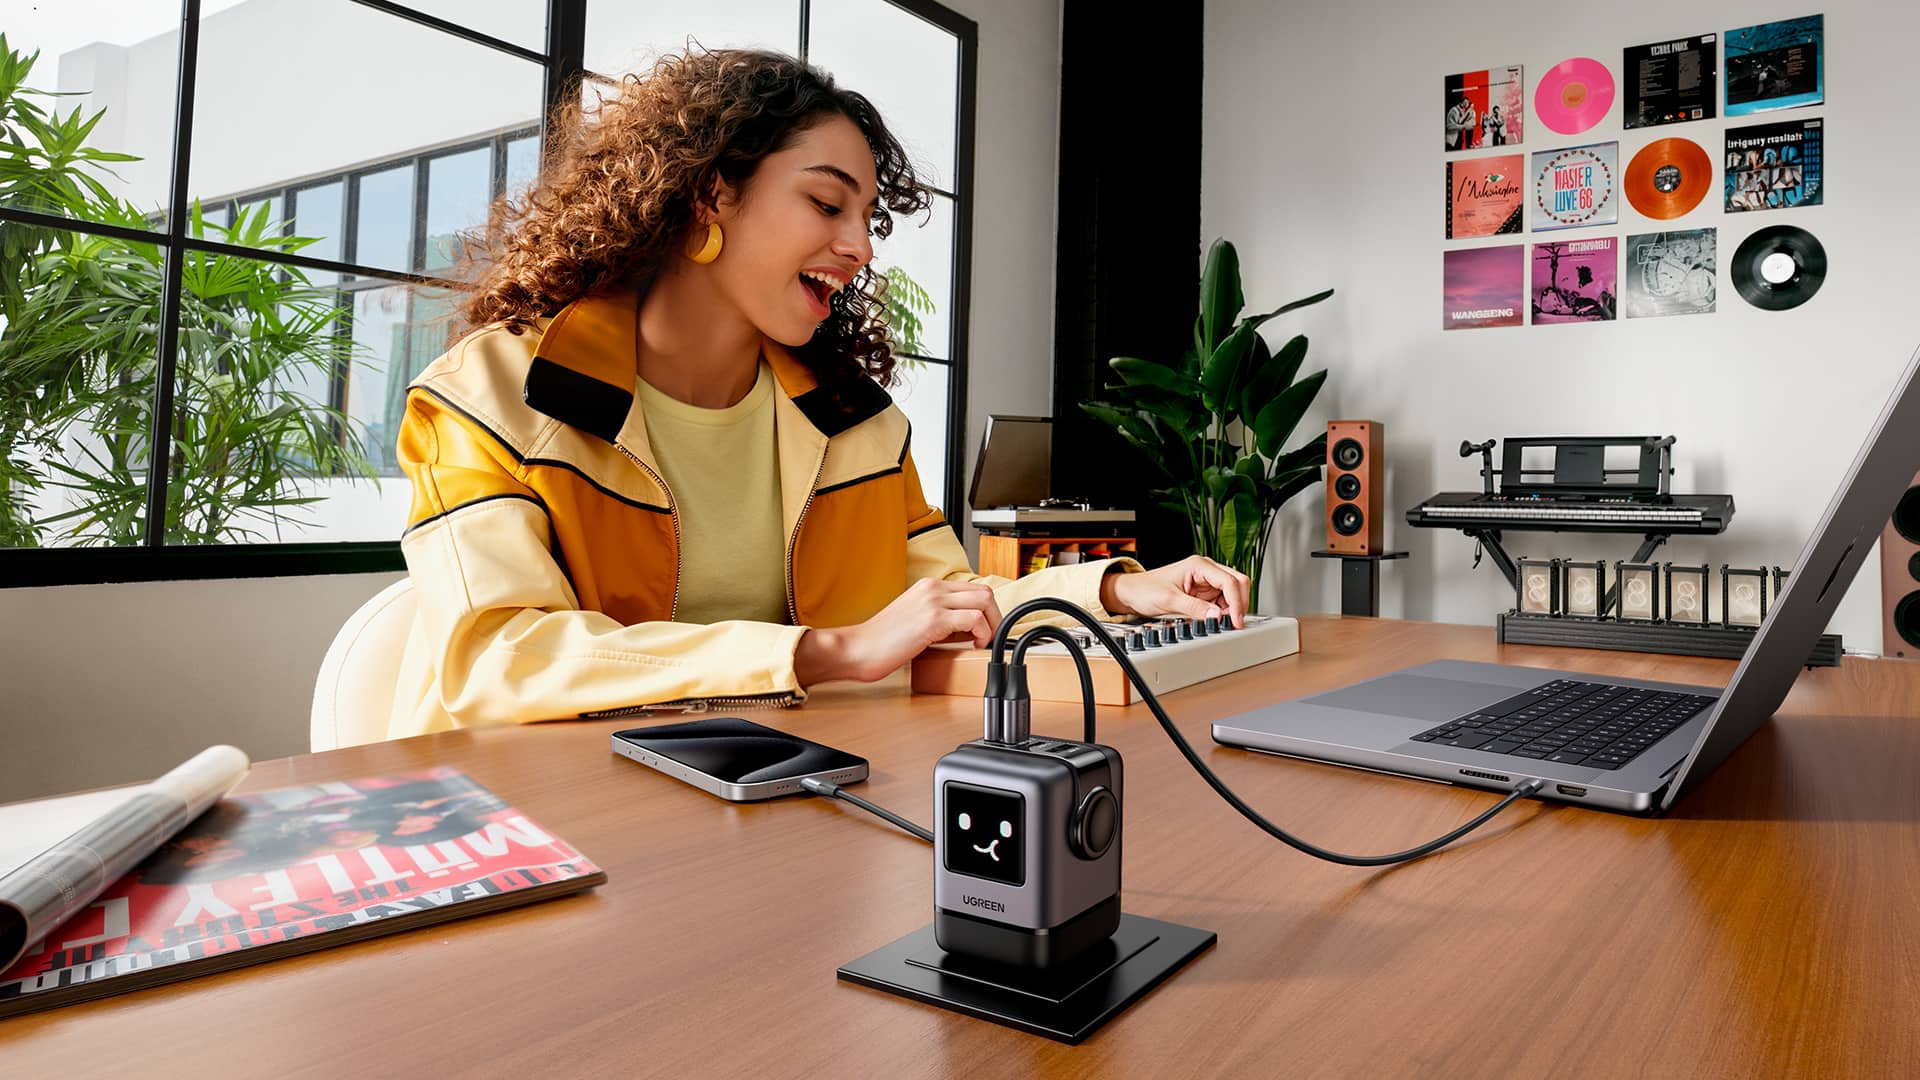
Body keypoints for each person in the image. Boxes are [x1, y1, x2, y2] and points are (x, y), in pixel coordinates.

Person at [388, 48, 1250, 737]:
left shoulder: (859, 425)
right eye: (826, 204)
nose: (859, 248)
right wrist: (829, 652)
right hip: (520, 817)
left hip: (759, 797)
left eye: (865, 220)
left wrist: (1110, 591)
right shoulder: (492, 395)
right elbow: (502, 657)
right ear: (709, 194)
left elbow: (951, 609)